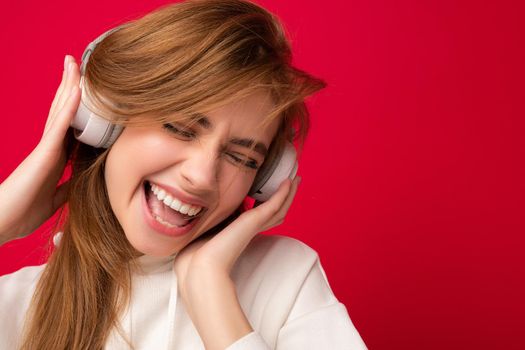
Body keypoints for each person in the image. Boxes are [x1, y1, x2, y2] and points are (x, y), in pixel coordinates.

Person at [0, 0, 368, 349]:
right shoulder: (18, 304)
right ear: (105, 122)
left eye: (242, 157)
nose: (203, 176)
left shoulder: (284, 279)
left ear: (264, 180)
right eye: (180, 128)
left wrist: (211, 292)